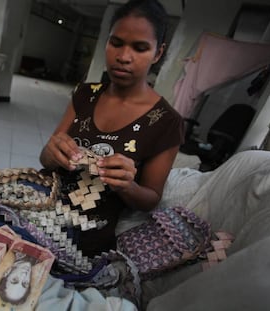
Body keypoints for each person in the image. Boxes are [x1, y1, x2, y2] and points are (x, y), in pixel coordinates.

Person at [40, 0, 184, 257]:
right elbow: (46, 158)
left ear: (158, 53)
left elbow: (151, 198)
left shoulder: (167, 122)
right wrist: (52, 153)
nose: (123, 57)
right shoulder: (85, 94)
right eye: (116, 43)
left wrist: (127, 185)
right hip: (41, 201)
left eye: (140, 48)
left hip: (83, 230)